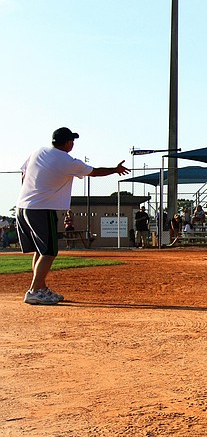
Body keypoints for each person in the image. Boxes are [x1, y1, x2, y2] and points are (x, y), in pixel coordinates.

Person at [16, 127, 129, 305]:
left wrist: (31, 193)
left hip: (23, 207)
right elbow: (94, 172)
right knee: (49, 251)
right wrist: (115, 169)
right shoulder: (68, 161)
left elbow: (23, 173)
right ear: (68, 143)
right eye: (72, 141)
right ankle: (35, 290)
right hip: (41, 209)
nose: (73, 143)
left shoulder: (39, 151)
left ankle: (41, 288)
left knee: (41, 250)